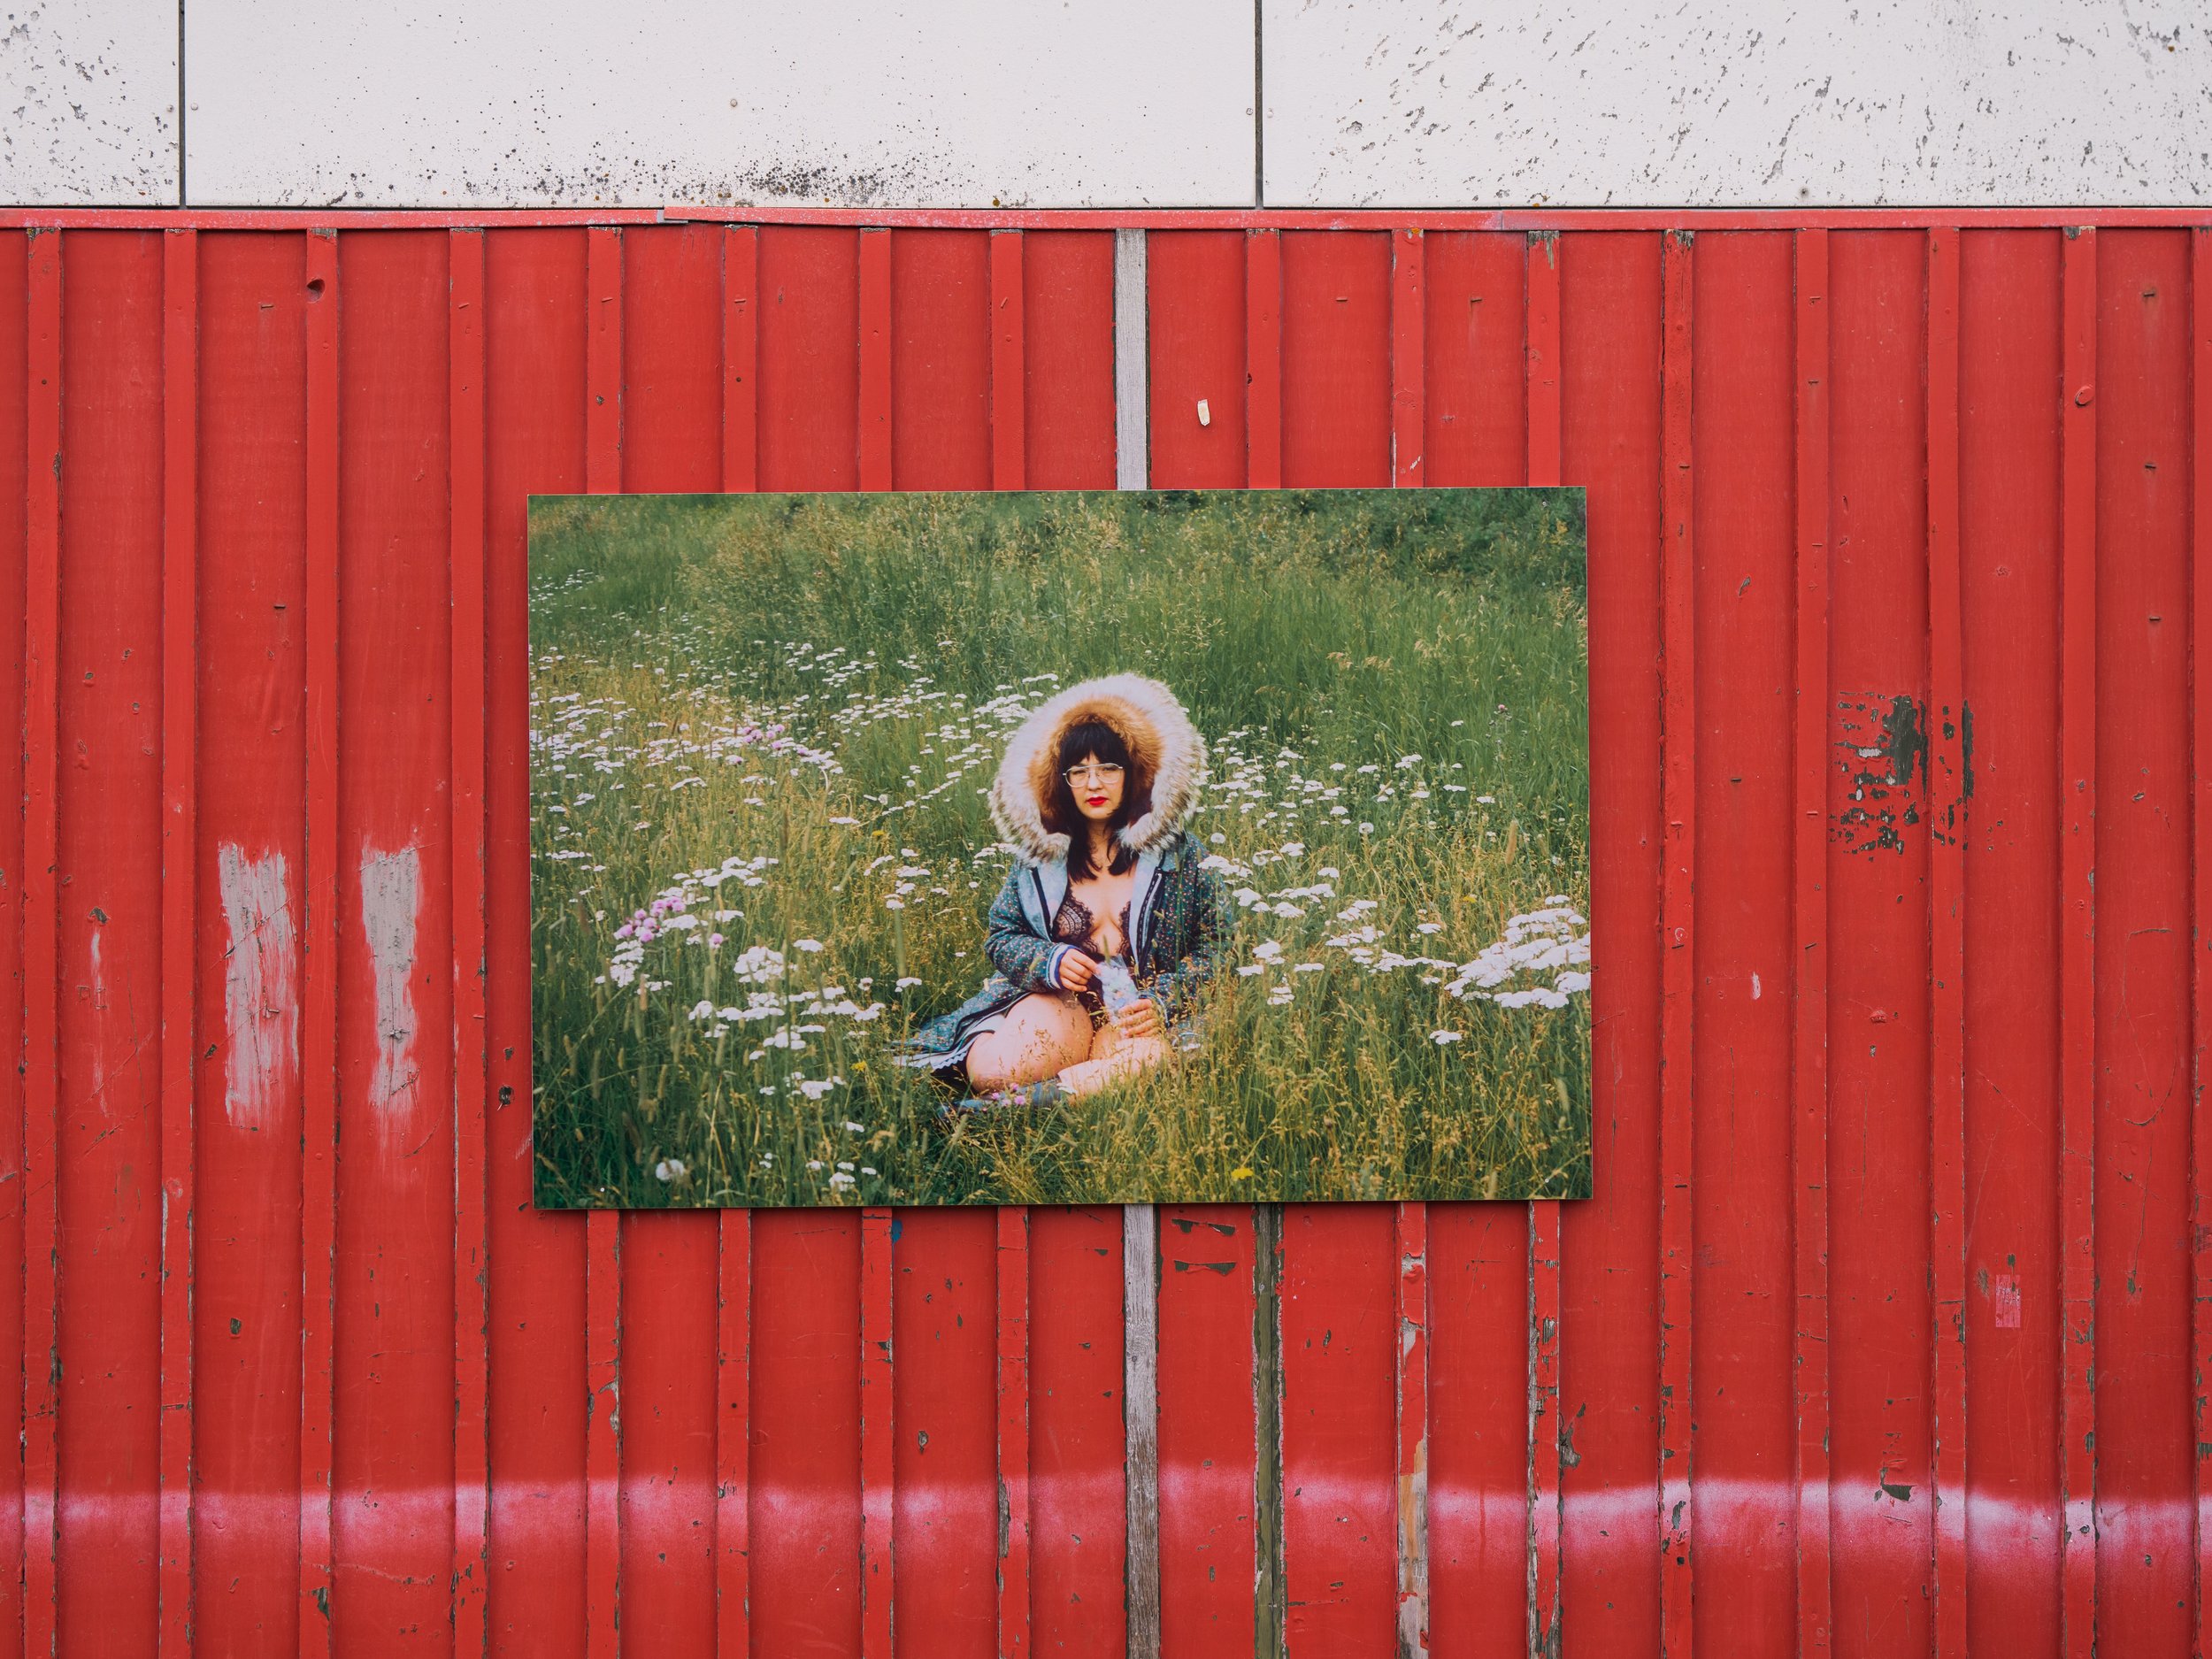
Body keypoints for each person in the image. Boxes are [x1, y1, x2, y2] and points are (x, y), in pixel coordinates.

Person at [900, 673, 1229, 1110]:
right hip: (1061, 1003)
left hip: (1137, 1014)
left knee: (1147, 1063)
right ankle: (1052, 1087)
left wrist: (1162, 1001)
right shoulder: (1043, 859)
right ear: (1063, 781)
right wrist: (1048, 961)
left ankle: (1002, 1112)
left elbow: (1220, 945)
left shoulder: (1179, 855)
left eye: (1109, 768)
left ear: (1135, 773)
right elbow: (1001, 935)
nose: (1094, 785)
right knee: (993, 1072)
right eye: (1079, 772)